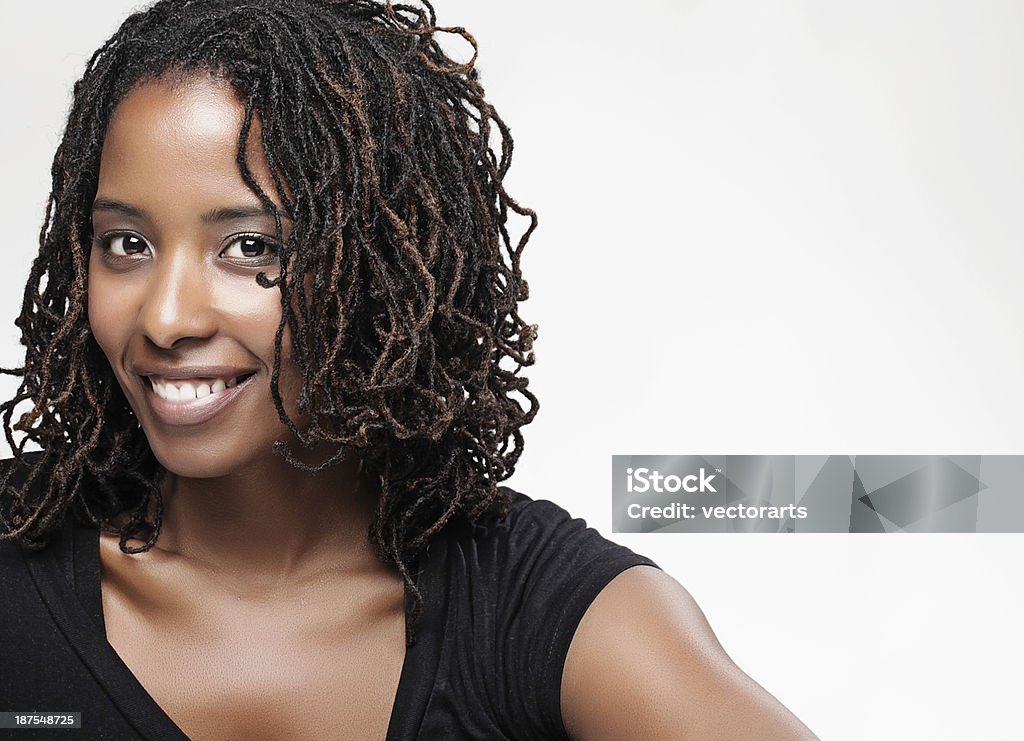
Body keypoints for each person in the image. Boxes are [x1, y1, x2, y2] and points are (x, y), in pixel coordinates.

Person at [0, 0, 817, 738]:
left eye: (252, 248)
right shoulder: (15, 557)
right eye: (127, 244)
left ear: (380, 269)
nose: (166, 317)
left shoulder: (534, 611)